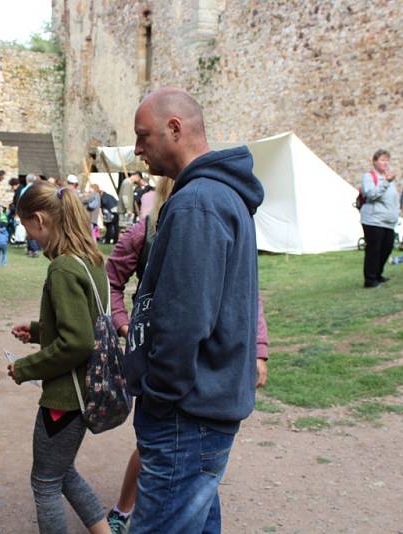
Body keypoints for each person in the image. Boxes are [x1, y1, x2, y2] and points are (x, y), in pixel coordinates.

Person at [125, 87, 263, 533]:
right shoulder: (213, 197)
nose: (138, 149)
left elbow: (185, 321)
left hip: (187, 414)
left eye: (144, 136)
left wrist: (160, 397)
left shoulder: (199, 202)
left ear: (175, 128)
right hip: (199, 410)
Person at [104, 175, 270, 533]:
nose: (140, 151)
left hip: (199, 391)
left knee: (187, 478)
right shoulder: (147, 228)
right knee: (175, 469)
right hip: (175, 388)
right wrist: (124, 324)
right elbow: (111, 279)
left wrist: (258, 348)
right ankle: (123, 507)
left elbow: (245, 289)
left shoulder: (208, 208)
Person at [7, 181, 111, 534]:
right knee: (61, 472)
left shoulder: (63, 268)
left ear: (39, 220)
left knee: (46, 481)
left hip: (66, 398)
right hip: (87, 390)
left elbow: (77, 342)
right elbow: (84, 325)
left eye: (27, 229)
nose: (31, 238)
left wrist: (24, 367)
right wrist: (38, 331)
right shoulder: (92, 260)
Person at [359, 149, 399, 288]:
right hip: (373, 220)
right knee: (374, 250)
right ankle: (370, 279)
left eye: (387, 160)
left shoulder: (388, 178)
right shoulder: (368, 177)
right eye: (382, 160)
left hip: (387, 221)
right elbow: (371, 194)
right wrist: (386, 182)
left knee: (386, 248)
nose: (385, 163)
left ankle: (378, 274)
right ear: (375, 161)